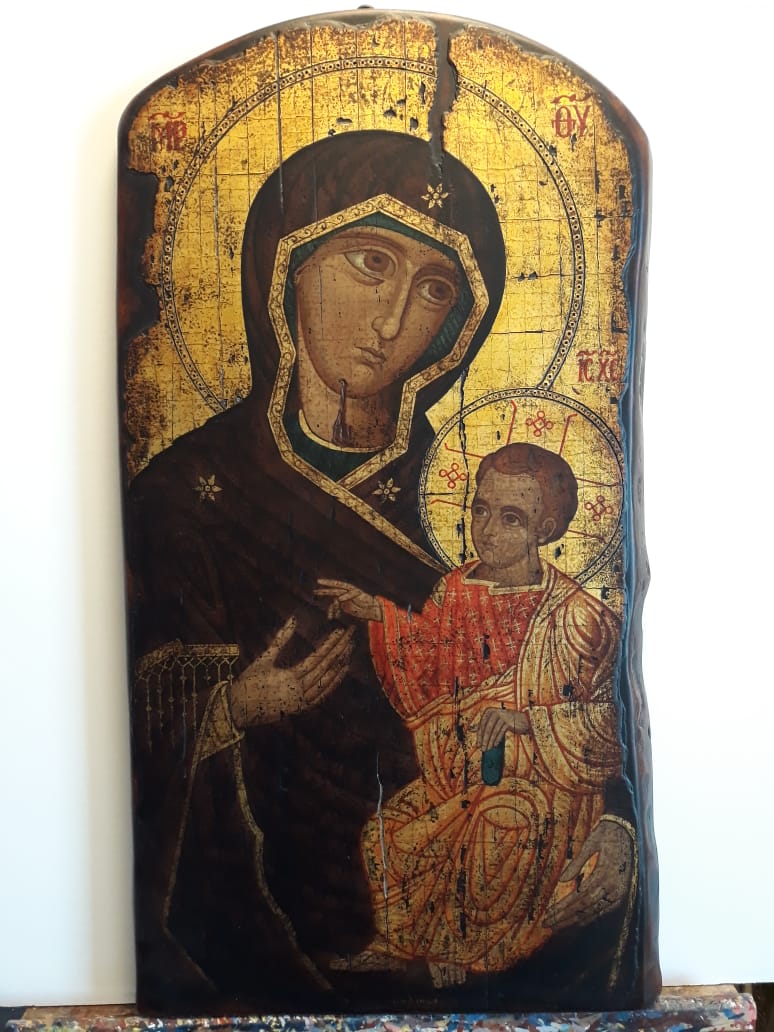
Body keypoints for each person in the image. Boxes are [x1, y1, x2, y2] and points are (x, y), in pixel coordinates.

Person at [124, 131, 644, 1012]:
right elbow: (143, 709)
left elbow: (575, 677)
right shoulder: (189, 493)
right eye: (370, 262)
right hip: (255, 919)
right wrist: (234, 706)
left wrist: (616, 827)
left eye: (434, 288)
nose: (395, 318)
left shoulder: (473, 497)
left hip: (498, 881)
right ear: (287, 263)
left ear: (460, 324)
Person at [317, 443, 627, 989]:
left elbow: (606, 722)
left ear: (546, 529)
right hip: (459, 773)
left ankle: (459, 956)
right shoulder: (454, 589)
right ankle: (399, 944)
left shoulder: (576, 617)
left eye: (511, 518)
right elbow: (426, 653)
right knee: (390, 832)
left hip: (544, 787)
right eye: (480, 510)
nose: (487, 530)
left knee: (500, 828)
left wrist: (526, 721)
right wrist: (376, 613)